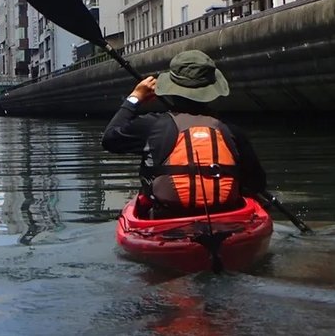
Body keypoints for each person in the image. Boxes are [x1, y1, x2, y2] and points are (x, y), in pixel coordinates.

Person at [102, 49, 267, 219]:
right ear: (212, 90)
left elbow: (109, 139)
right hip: (225, 219)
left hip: (165, 220)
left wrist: (135, 97)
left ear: (172, 90)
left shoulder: (151, 125)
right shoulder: (231, 131)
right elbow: (257, 183)